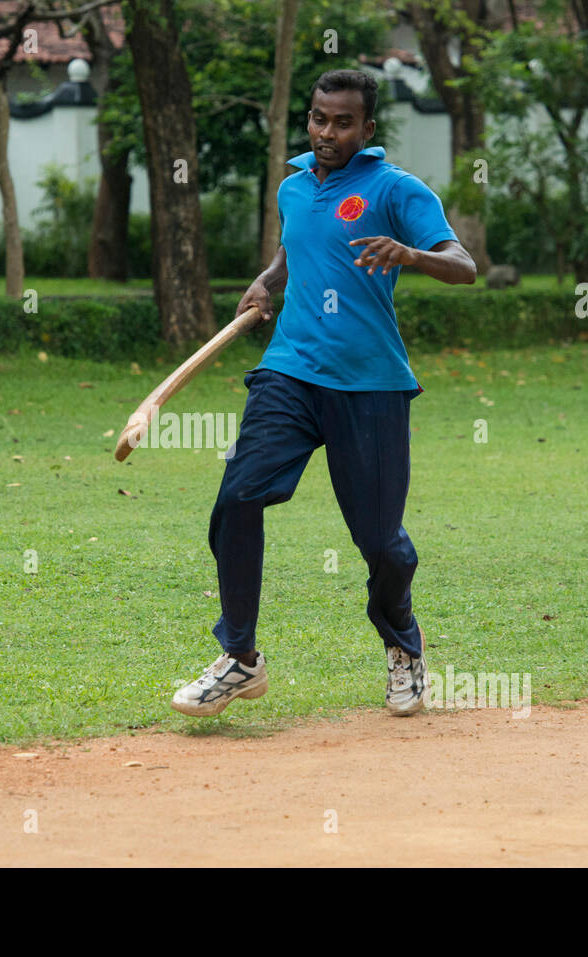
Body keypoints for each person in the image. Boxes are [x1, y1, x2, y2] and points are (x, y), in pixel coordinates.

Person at [171, 68, 476, 718]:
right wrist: (268, 280)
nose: (327, 131)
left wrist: (412, 255)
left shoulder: (397, 189)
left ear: (368, 129)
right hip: (289, 371)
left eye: (342, 122)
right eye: (318, 118)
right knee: (238, 495)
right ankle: (240, 656)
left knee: (379, 541)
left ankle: (403, 643)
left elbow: (465, 265)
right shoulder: (294, 187)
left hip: (370, 384)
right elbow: (295, 253)